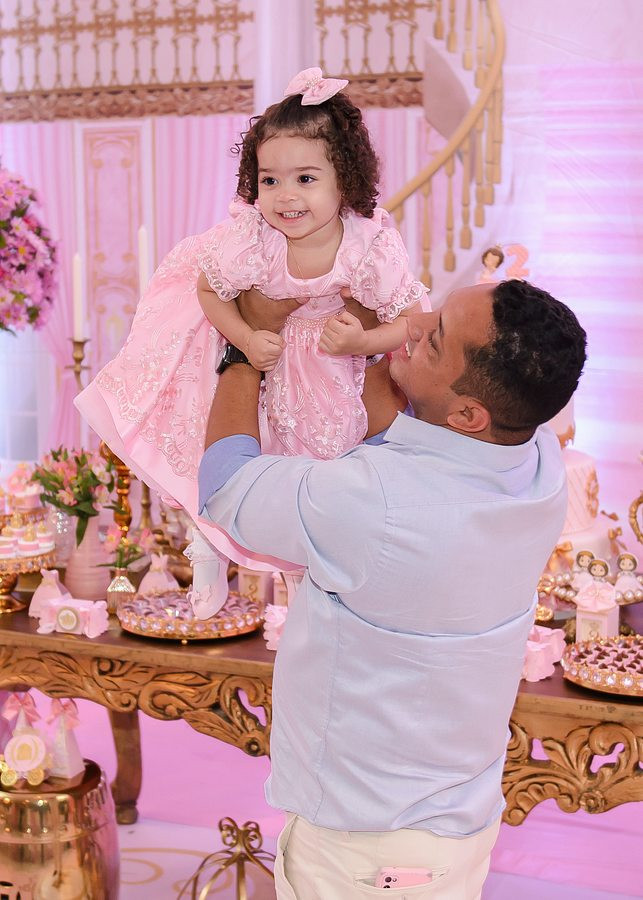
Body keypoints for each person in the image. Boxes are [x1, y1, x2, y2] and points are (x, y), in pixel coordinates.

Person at [198, 277, 587, 899]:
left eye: (434, 339)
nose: (415, 322)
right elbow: (411, 461)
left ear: (469, 414)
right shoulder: (539, 464)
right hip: (456, 827)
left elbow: (225, 485)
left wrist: (244, 348)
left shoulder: (375, 502)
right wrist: (385, 354)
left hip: (367, 850)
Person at [74, 67, 428, 617]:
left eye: (305, 179)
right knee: (230, 442)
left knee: (318, 469)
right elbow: (208, 290)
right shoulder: (254, 238)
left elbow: (412, 319)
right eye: (270, 181)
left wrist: (364, 339)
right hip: (267, 355)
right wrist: (243, 335)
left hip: (332, 368)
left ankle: (306, 578)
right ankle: (209, 543)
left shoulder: (368, 242)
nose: (286, 197)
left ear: (345, 180)